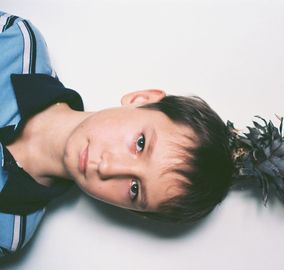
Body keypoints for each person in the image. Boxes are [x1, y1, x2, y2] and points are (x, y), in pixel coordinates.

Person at [0, 11, 234, 257]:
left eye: (134, 189)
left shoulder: (9, 232)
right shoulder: (16, 41)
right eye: (140, 144)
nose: (109, 167)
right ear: (140, 99)